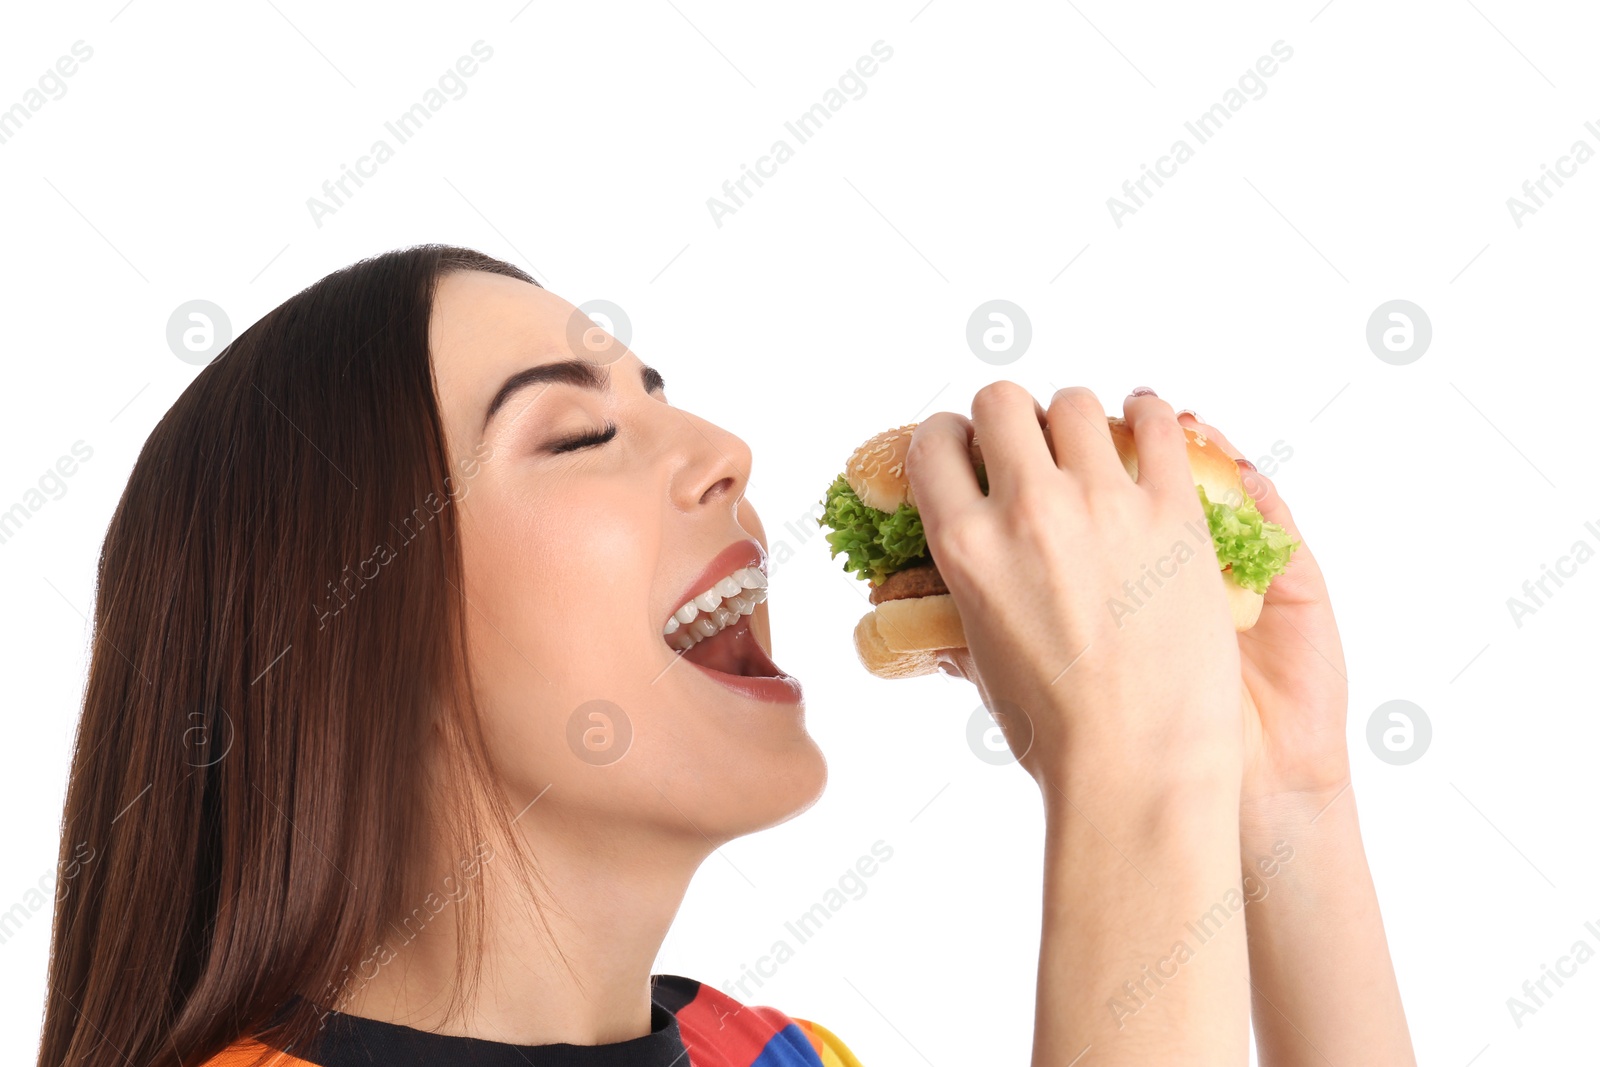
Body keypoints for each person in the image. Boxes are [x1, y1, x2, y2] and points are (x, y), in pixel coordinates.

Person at [35, 245, 1413, 1066]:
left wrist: (1280, 798)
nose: (723, 453)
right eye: (576, 437)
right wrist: (1136, 773)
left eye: (665, 397)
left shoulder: (773, 1056)